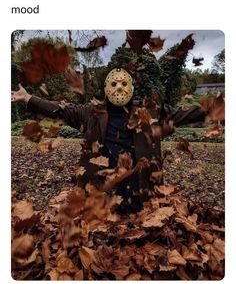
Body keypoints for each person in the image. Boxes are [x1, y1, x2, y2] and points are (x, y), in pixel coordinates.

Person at [12, 68, 209, 213]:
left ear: (131, 88)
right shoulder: (91, 114)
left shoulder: (151, 113)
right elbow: (61, 109)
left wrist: (217, 109)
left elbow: (187, 114)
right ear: (106, 89)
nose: (119, 88)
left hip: (141, 194)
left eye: (124, 83)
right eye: (114, 84)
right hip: (102, 193)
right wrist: (29, 98)